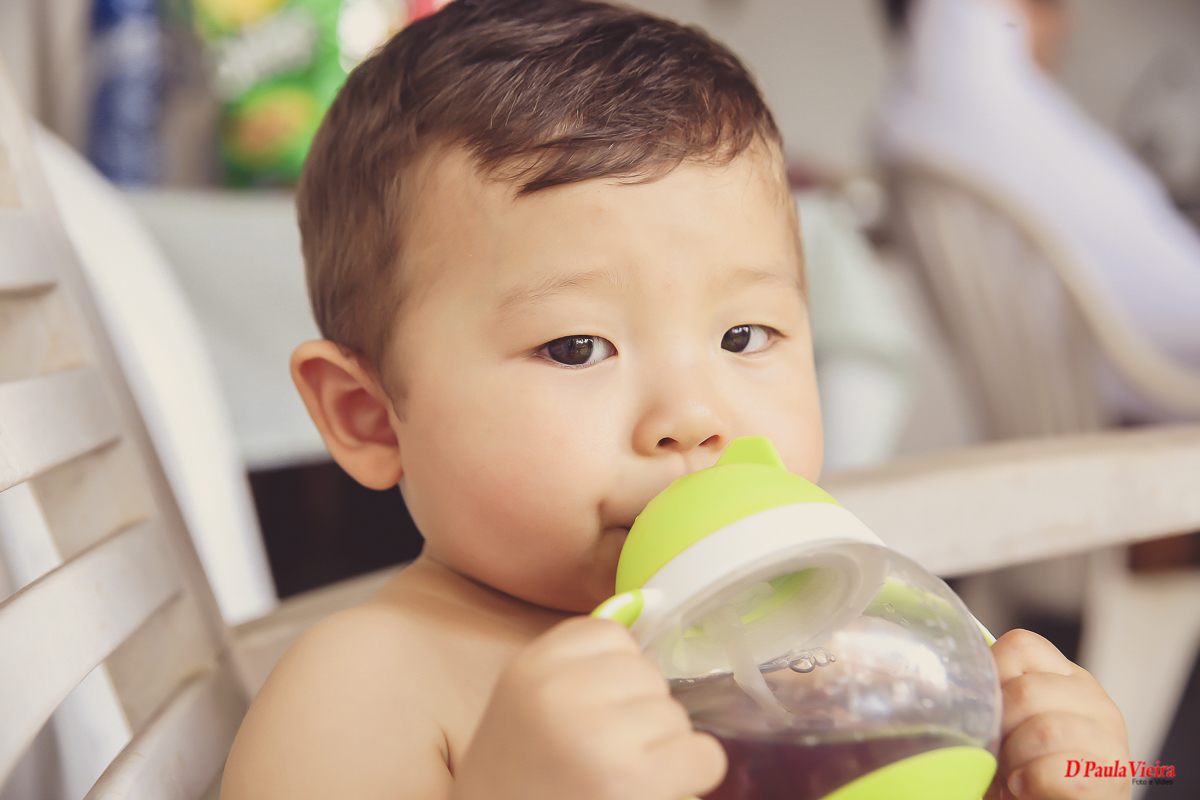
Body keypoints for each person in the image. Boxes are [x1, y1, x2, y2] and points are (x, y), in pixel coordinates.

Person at [219, 2, 1130, 799]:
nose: (694, 417)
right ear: (370, 416)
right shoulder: (370, 686)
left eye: (745, 337)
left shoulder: (817, 639)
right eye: (578, 347)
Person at [875, 0, 1200, 422]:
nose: (1066, 26)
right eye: (1048, 6)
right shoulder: (977, 95)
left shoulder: (916, 122)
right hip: (1156, 406)